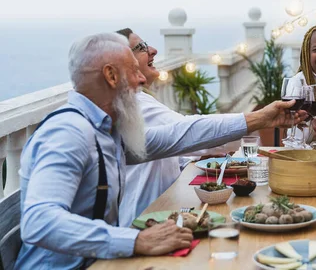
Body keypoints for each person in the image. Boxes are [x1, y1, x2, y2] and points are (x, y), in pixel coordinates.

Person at [17, 33, 300, 269]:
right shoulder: (68, 134)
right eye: (134, 71)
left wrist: (260, 118)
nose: (143, 80)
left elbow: (179, 134)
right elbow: (39, 222)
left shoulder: (106, 131)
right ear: (111, 75)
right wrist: (135, 241)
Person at [115, 28, 238, 227]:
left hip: (161, 214)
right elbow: (188, 133)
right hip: (145, 224)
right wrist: (257, 120)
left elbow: (170, 149)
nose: (153, 50)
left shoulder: (140, 100)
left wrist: (195, 159)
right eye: (141, 48)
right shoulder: (136, 103)